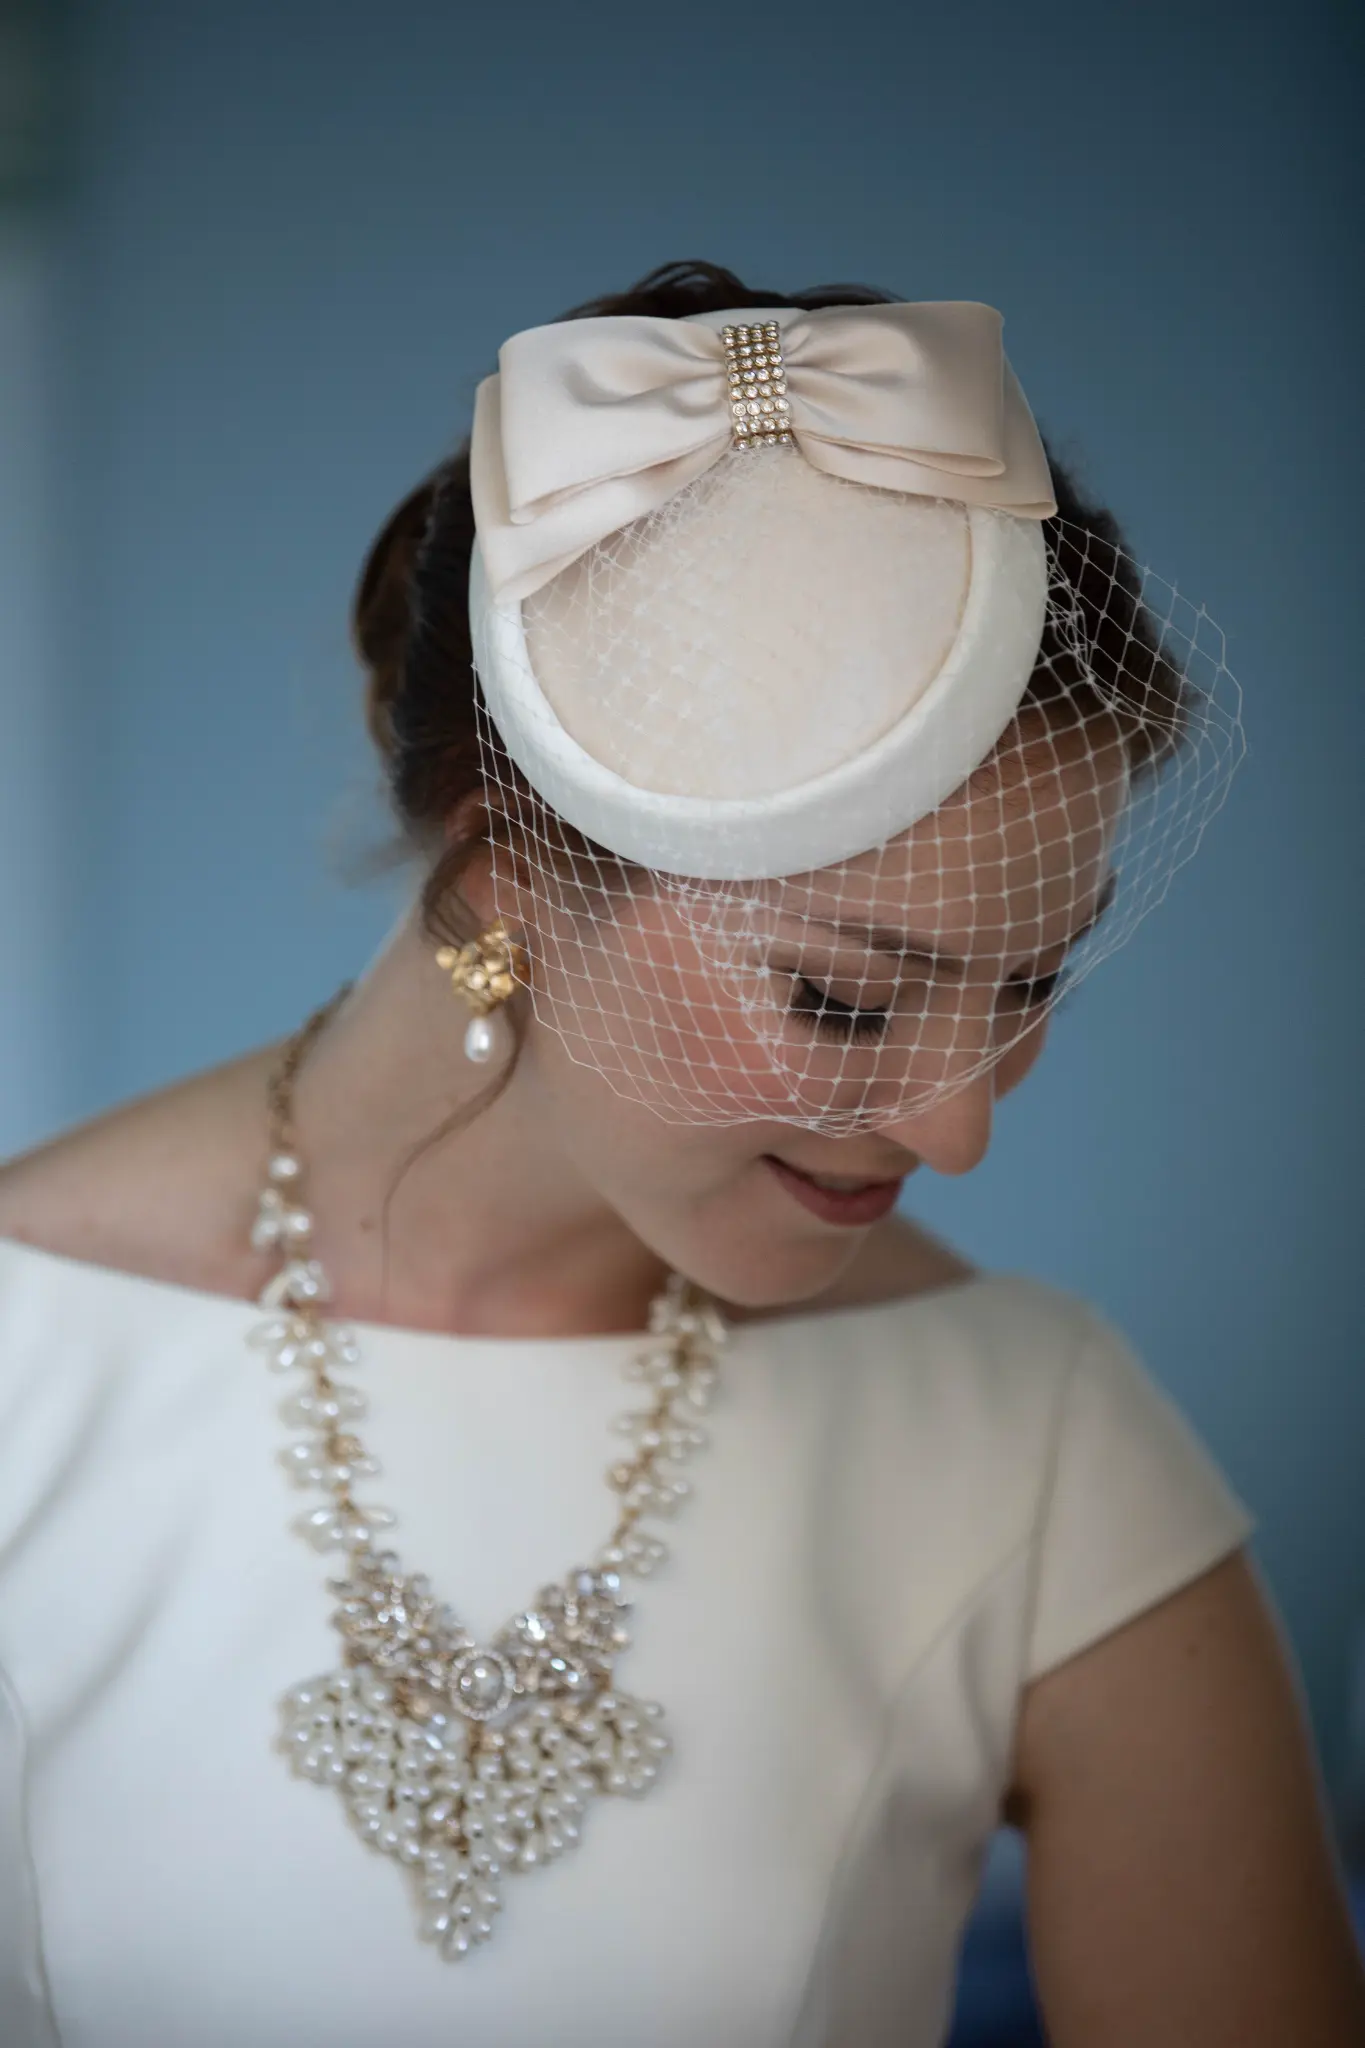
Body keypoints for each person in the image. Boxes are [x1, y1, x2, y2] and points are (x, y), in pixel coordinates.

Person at [1, 260, 1361, 2048]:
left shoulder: (1034, 1439)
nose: (959, 1129)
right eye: (845, 1002)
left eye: (1034, 977)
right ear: (510, 877)